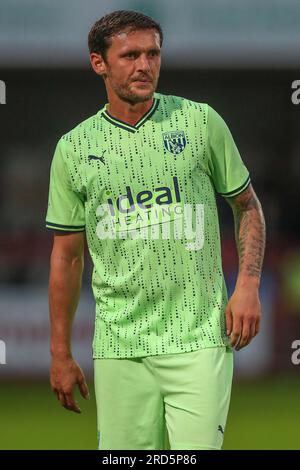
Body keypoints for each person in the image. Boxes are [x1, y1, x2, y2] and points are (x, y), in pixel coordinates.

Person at [46, 10, 266, 450]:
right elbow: (67, 257)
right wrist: (60, 352)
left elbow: (248, 207)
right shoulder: (74, 148)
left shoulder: (200, 122)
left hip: (200, 336)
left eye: (152, 53)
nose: (144, 65)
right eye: (130, 55)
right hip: (119, 344)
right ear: (99, 63)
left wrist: (248, 283)